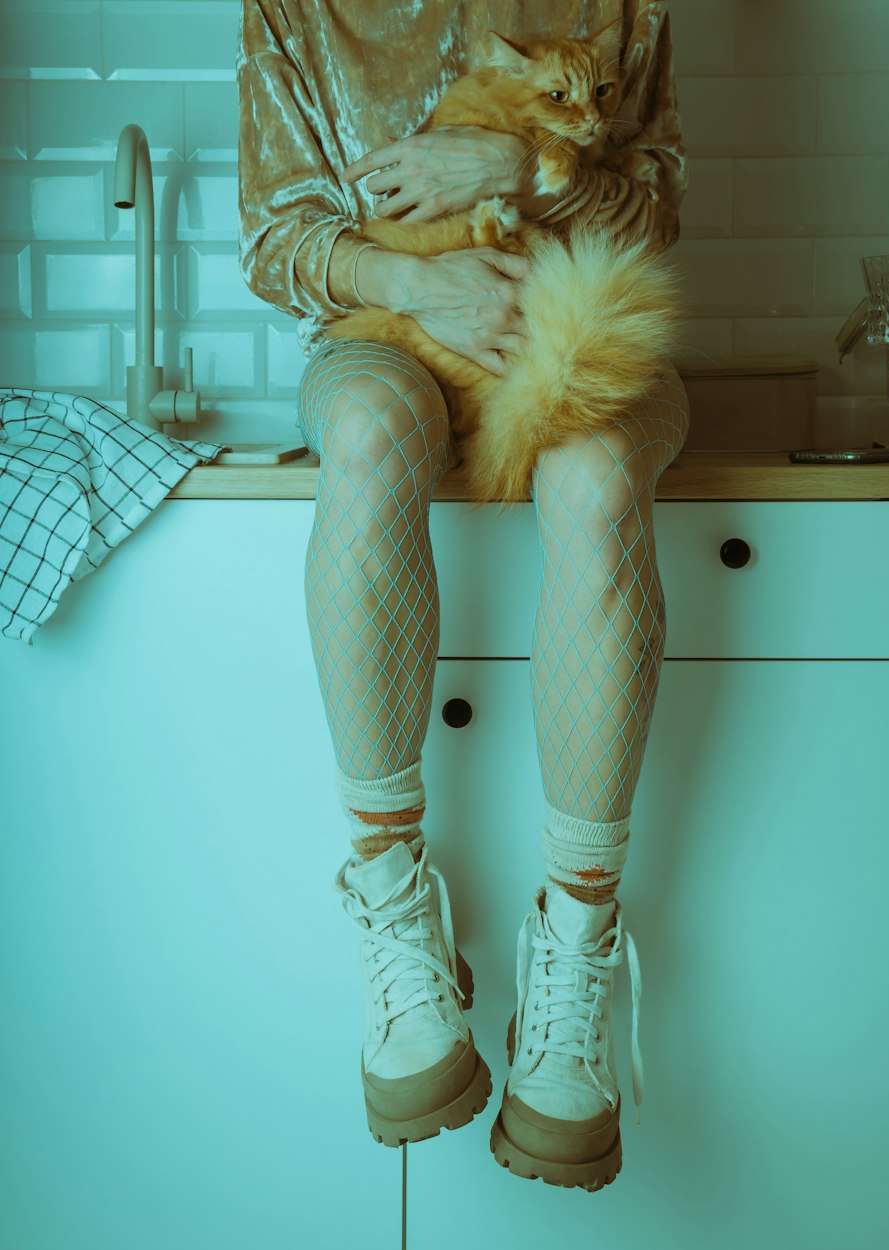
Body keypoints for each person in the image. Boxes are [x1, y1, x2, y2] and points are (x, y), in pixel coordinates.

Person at [237, 0, 690, 1192]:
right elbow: (274, 237)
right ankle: (393, 910)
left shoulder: (617, 11)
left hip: (578, 311)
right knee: (373, 432)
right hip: (393, 323)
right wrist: (414, 283)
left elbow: (659, 210)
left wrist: (527, 171)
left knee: (594, 483)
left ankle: (574, 955)